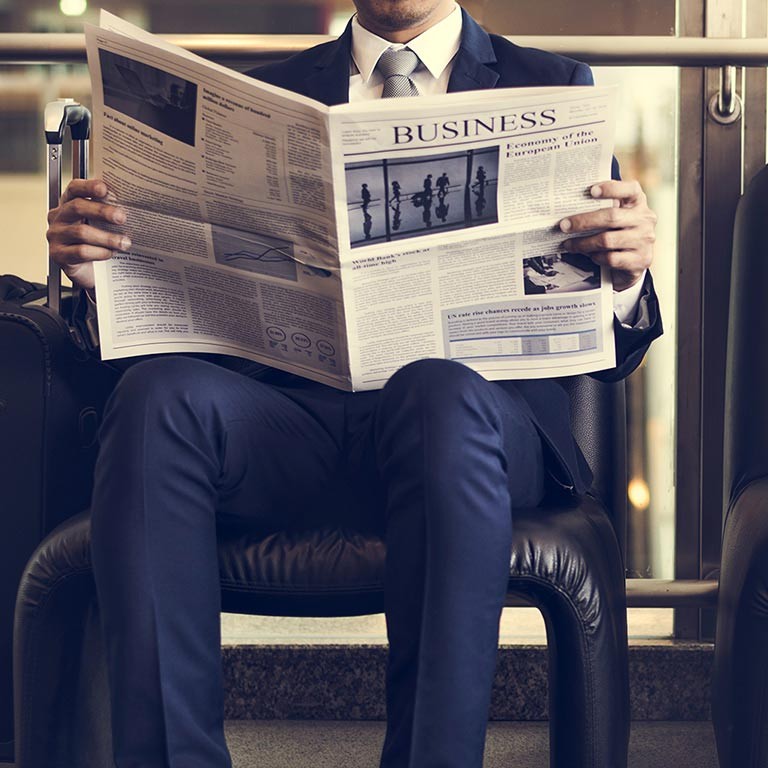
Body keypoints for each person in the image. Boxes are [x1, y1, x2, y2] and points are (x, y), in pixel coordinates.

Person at [45, 1, 661, 767]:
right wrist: (98, 273)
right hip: (290, 422)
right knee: (154, 403)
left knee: (437, 394)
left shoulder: (552, 85)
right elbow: (179, 303)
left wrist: (628, 276)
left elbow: (610, 340)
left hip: (467, 430)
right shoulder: (258, 96)